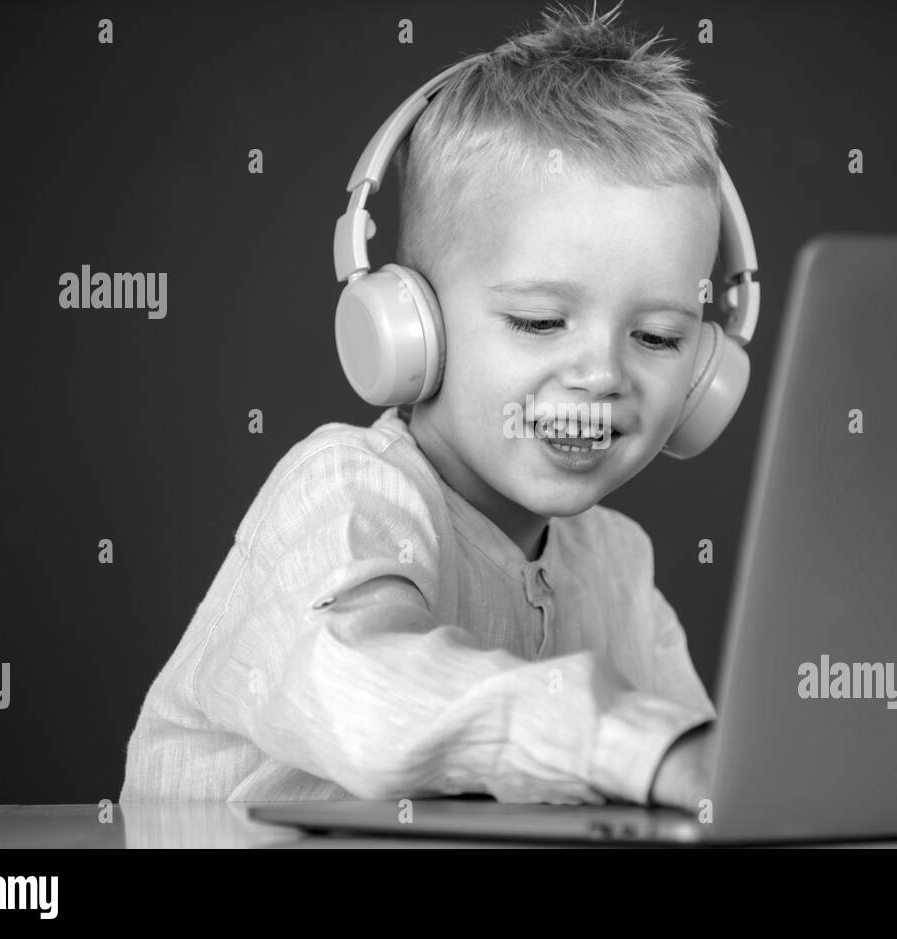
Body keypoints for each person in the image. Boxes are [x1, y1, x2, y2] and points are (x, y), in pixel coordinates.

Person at [121, 1, 725, 812]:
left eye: (656, 337)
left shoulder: (618, 564)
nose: (601, 374)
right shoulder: (342, 492)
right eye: (540, 320)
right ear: (412, 324)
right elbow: (374, 688)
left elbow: (715, 772)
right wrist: (635, 746)